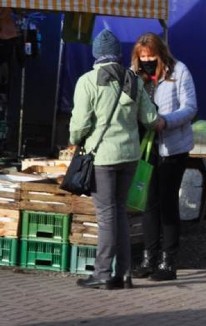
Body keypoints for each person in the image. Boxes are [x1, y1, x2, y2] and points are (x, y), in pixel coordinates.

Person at [70, 29, 160, 289]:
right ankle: (124, 273)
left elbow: (79, 125)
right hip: (130, 156)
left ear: (97, 54)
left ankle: (102, 273)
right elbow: (151, 119)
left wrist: (77, 138)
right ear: (118, 55)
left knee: (107, 216)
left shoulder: (88, 81)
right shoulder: (133, 79)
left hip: (103, 158)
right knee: (120, 212)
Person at [130, 32, 198, 282]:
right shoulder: (135, 73)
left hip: (173, 148)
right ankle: (148, 258)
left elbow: (190, 107)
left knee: (168, 203)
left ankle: (168, 261)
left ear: (161, 54)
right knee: (149, 204)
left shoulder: (179, 71)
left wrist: (166, 122)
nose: (147, 60)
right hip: (146, 149)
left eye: (151, 56)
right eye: (143, 57)